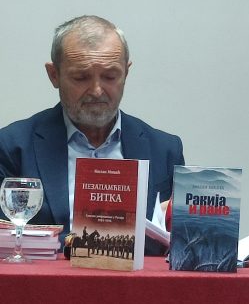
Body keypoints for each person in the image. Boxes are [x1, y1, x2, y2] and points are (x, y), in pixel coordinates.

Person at [0, 16, 185, 248]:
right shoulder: (12, 147)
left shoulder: (165, 150)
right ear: (54, 75)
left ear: (126, 73)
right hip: (51, 272)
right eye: (81, 77)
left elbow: (179, 245)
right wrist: (79, 246)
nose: (97, 91)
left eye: (110, 77)